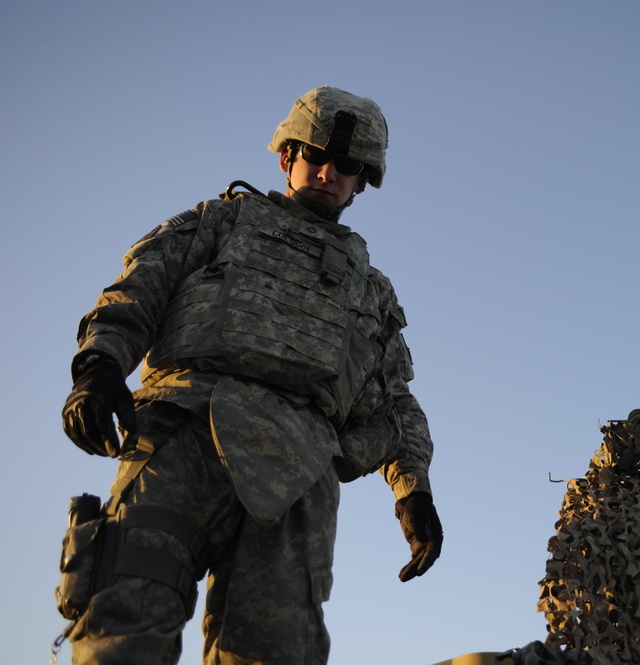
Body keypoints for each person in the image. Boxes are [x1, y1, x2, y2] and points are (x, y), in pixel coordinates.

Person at [58, 86, 443, 664]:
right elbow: (139, 289)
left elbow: (393, 403)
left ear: (362, 182)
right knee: (123, 627)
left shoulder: (373, 291)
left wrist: (413, 492)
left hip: (296, 479)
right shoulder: (222, 222)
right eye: (317, 155)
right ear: (288, 157)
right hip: (180, 439)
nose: (329, 173)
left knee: (274, 655)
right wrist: (99, 365)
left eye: (347, 166)